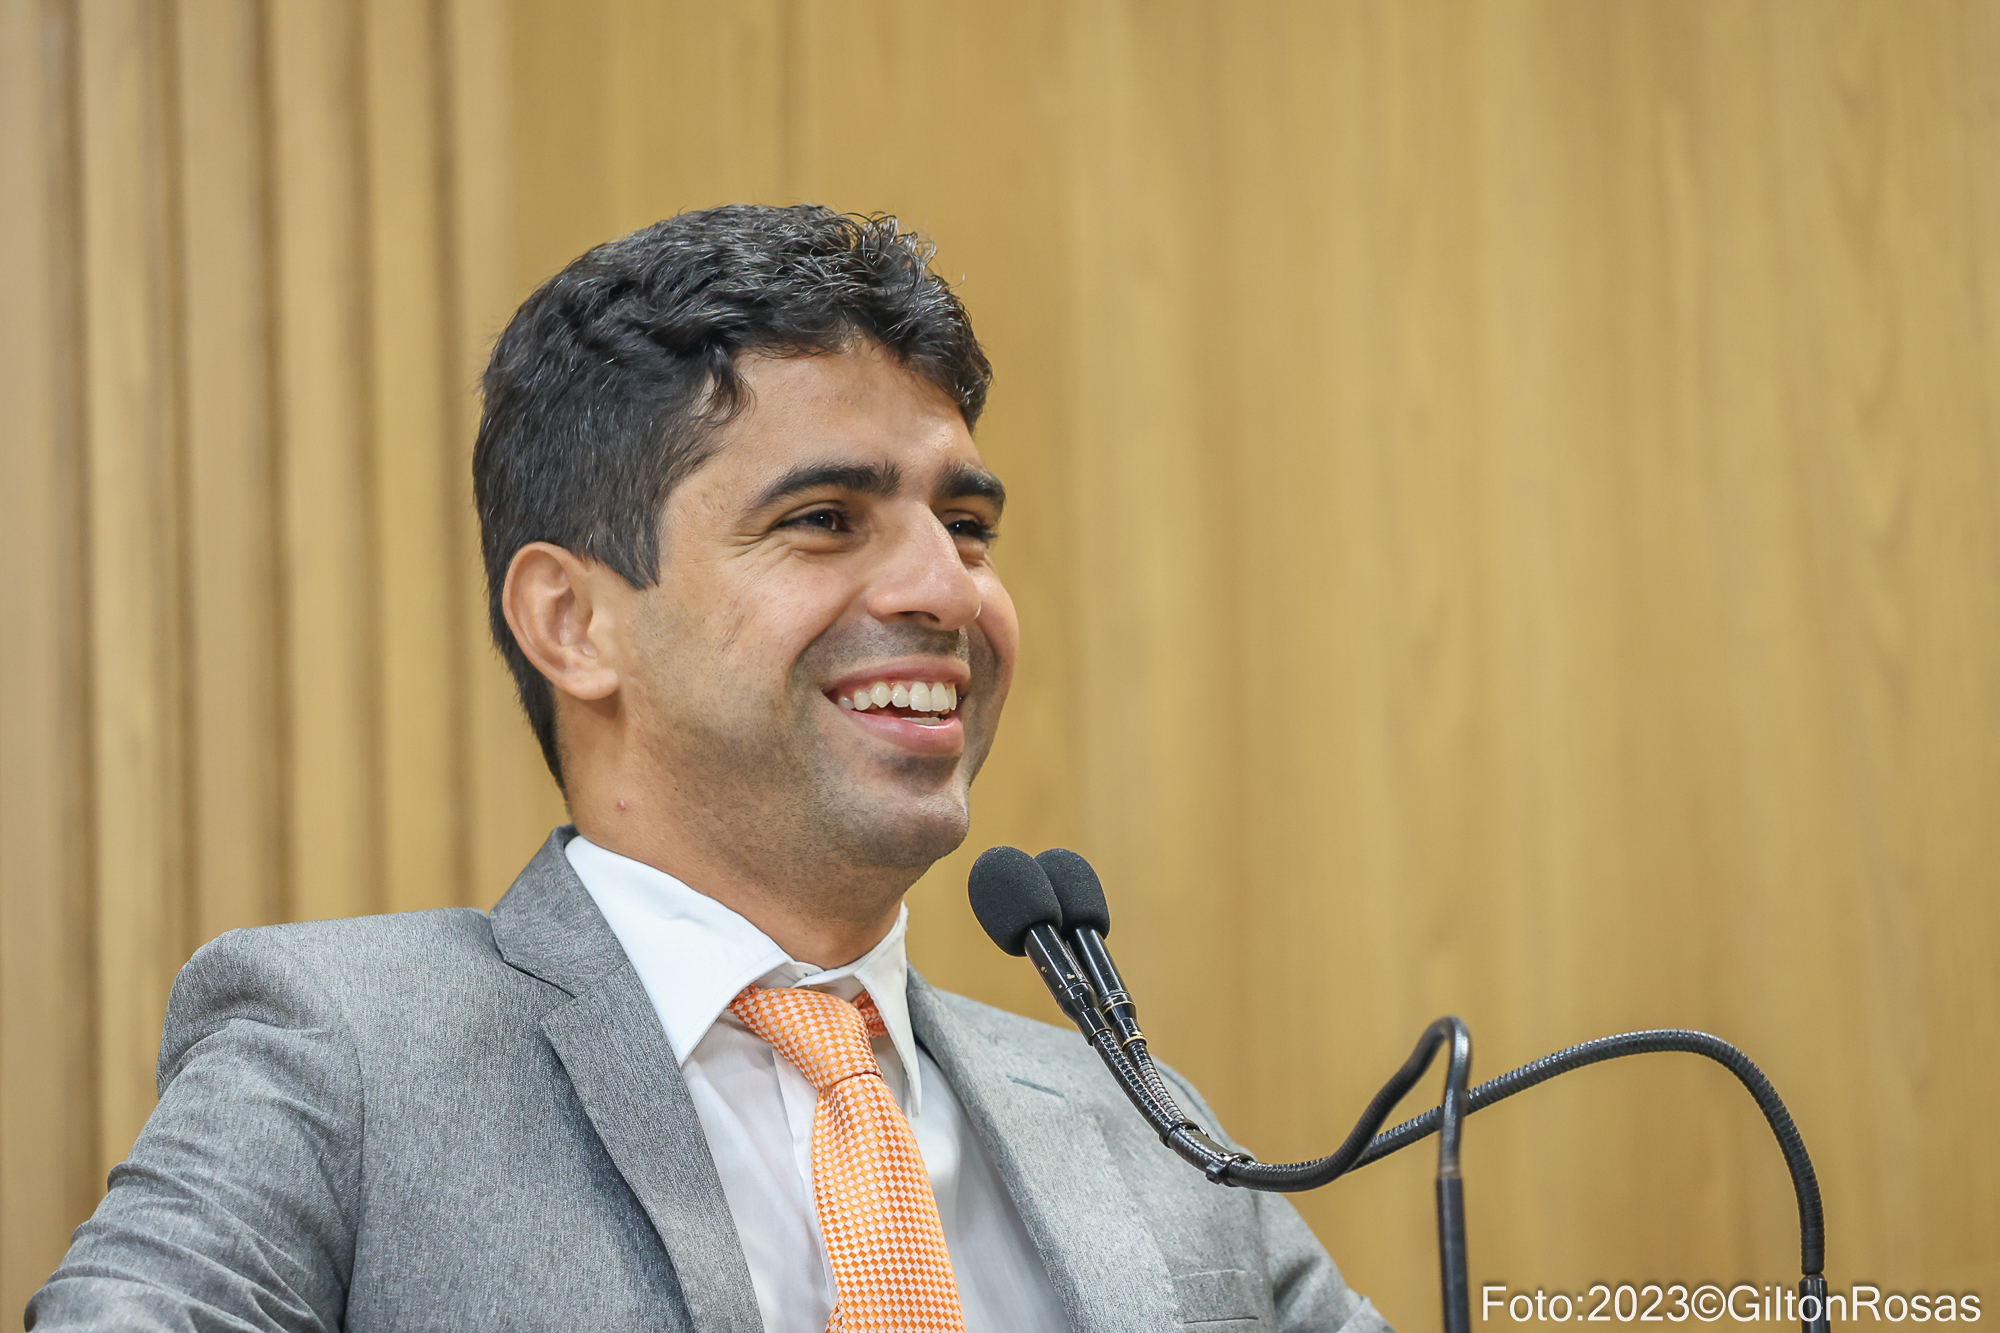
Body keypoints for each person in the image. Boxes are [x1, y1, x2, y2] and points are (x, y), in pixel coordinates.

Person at [28, 206, 1391, 1333]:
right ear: (574, 622)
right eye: (825, 518)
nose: (948, 589)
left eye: (966, 525)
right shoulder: (346, 1059)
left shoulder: (1141, 1118)